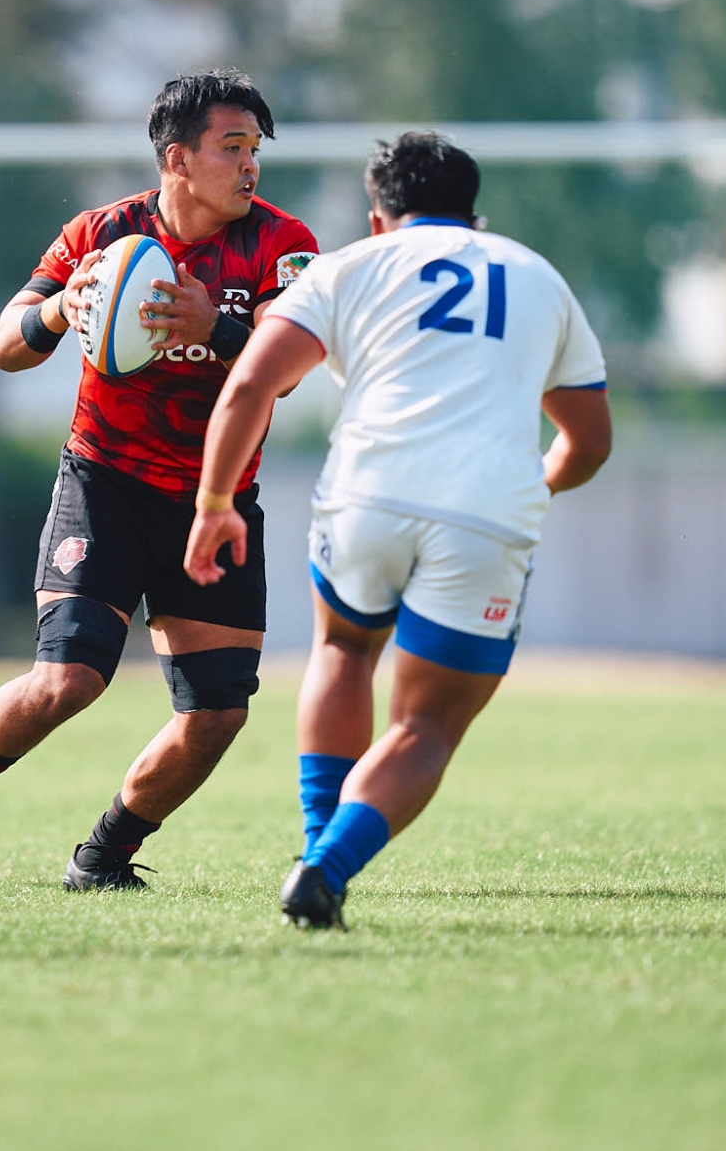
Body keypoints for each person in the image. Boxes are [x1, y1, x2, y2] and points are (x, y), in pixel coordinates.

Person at [0, 70, 320, 893]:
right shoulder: (101, 233)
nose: (249, 166)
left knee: (216, 715)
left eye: (253, 150)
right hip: (107, 482)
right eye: (231, 149)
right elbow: (4, 346)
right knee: (68, 680)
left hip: (215, 500)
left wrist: (215, 326)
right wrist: (59, 311)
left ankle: (103, 857)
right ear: (177, 159)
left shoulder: (281, 243)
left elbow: (292, 369)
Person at [183, 131, 613, 928]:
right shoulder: (537, 276)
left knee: (344, 649)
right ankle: (326, 868)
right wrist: (535, 486)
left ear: (379, 217)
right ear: (474, 217)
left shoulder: (349, 264)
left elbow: (251, 382)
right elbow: (588, 443)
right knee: (426, 725)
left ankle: (316, 848)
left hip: (365, 497)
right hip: (486, 512)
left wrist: (214, 504)